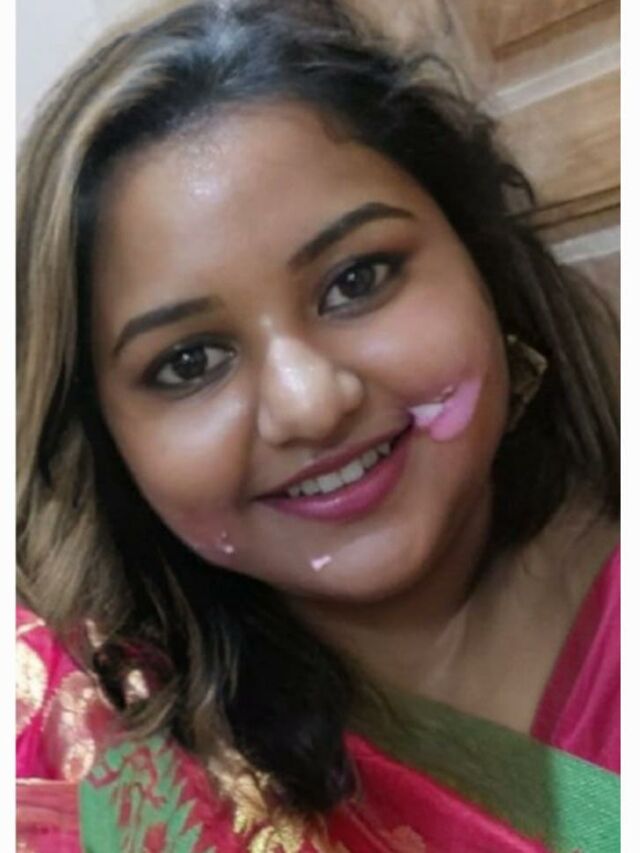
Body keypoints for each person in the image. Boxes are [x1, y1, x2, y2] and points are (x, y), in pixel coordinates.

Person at [16, 0, 620, 850]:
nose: (309, 402)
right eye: (189, 361)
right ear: (109, 442)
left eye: (357, 279)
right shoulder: (85, 753)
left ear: (479, 257)